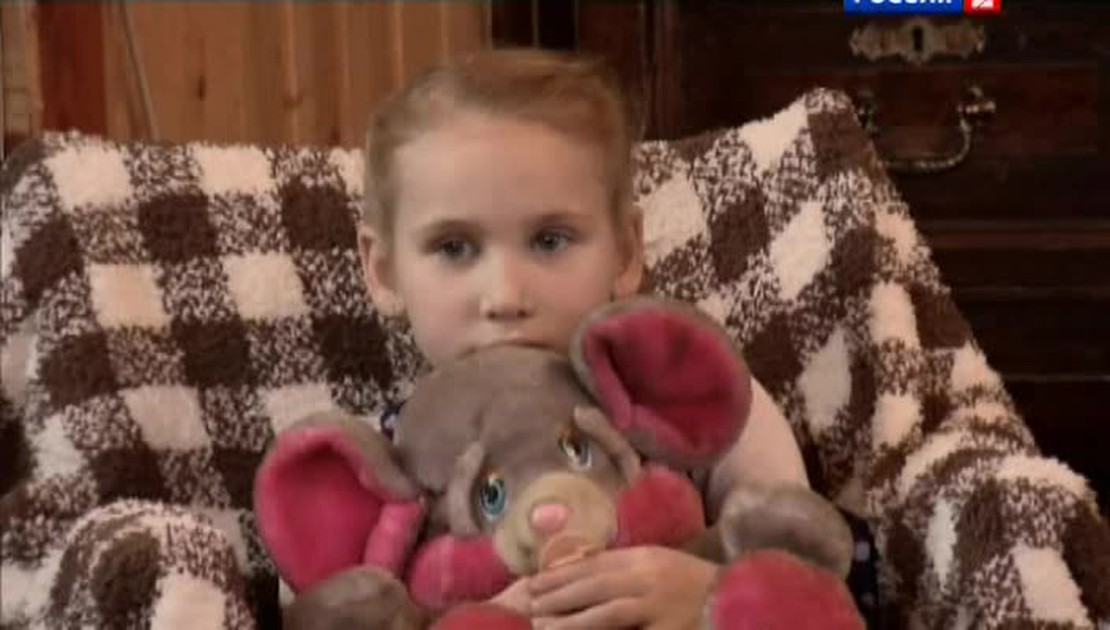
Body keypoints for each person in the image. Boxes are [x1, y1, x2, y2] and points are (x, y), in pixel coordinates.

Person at [357, 48, 870, 629]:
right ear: (383, 268)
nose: (504, 296)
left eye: (550, 240)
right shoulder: (384, 460)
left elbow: (802, 577)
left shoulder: (693, 402)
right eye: (454, 248)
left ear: (625, 251)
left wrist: (708, 593)